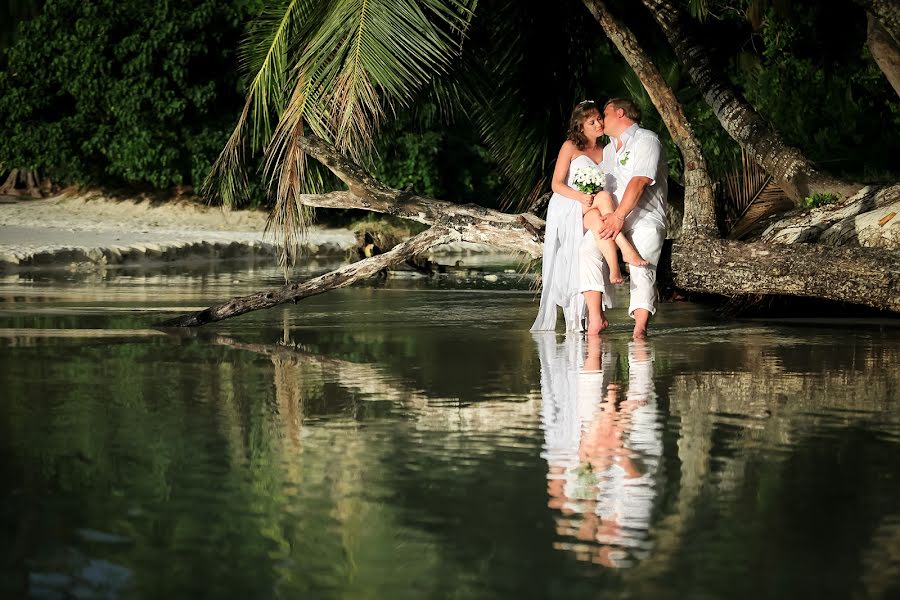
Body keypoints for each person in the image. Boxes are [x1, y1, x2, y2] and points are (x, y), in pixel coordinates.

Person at [532, 101, 646, 333]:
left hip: (592, 209)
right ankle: (622, 247)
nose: (598, 124)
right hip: (568, 203)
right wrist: (579, 196)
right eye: (591, 122)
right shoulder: (571, 146)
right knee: (603, 198)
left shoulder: (607, 149)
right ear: (580, 127)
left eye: (599, 119)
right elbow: (556, 184)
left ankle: (599, 315)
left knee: (597, 218)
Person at [579, 98, 668, 339]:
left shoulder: (646, 139)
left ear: (619, 113)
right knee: (587, 251)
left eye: (604, 115)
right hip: (613, 219)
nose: (600, 121)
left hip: (644, 216)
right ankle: (597, 319)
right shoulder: (608, 149)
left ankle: (639, 330)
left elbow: (640, 181)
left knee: (643, 264)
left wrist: (619, 216)